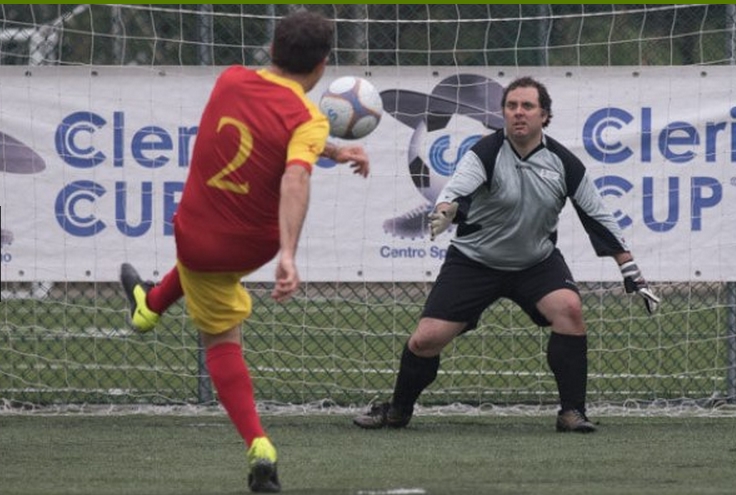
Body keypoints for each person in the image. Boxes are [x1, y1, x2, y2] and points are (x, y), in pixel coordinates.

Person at [120, 10, 369, 493]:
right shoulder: (309, 119)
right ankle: (147, 308)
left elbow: (278, 147)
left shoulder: (230, 79)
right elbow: (295, 171)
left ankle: (260, 445)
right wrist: (289, 254)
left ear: (272, 49)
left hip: (198, 234)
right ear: (323, 65)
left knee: (219, 336)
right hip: (249, 246)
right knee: (204, 276)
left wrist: (331, 150)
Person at [353, 76, 660, 434]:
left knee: (570, 310)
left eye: (527, 106)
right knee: (426, 339)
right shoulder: (484, 152)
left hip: (536, 263)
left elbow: (597, 214)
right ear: (503, 114)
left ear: (544, 115)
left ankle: (572, 412)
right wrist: (446, 208)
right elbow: (456, 188)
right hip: (474, 262)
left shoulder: (563, 162)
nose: (518, 113)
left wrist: (630, 268)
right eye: (511, 106)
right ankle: (398, 410)